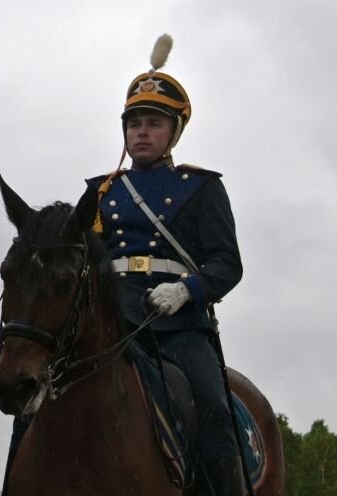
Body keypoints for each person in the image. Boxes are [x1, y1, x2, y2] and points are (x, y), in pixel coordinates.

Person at [85, 36, 247, 496]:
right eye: (134, 123)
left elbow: (227, 263)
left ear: (173, 132)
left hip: (176, 325)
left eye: (153, 123)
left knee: (213, 404)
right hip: (113, 320)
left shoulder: (201, 188)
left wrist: (187, 291)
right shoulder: (101, 192)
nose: (141, 132)